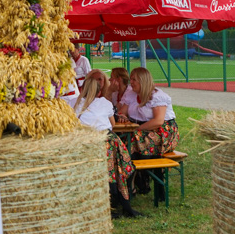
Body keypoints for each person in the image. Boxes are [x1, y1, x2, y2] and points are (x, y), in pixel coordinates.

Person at [73, 74, 140, 219]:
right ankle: (121, 197)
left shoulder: (74, 102)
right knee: (122, 166)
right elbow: (113, 125)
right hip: (107, 142)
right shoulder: (105, 103)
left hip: (84, 143)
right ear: (99, 92)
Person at [117, 67, 179, 197]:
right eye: (131, 79)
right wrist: (123, 117)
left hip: (163, 133)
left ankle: (130, 184)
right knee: (124, 140)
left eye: (134, 79)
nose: (131, 82)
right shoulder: (131, 94)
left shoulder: (158, 96)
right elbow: (123, 111)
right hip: (141, 131)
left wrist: (137, 129)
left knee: (131, 142)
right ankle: (135, 182)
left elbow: (158, 121)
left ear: (143, 81)